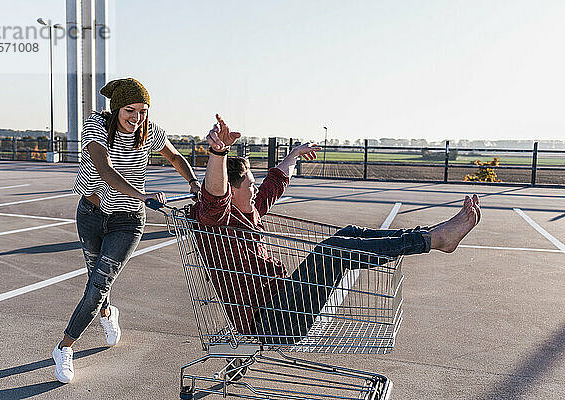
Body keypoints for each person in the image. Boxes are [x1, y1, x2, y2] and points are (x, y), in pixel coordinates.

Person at [190, 114, 482, 345]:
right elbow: (214, 196)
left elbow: (274, 183)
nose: (255, 189)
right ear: (231, 190)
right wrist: (219, 152)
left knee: (347, 233)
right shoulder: (216, 220)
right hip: (270, 320)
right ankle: (433, 239)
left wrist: (294, 154)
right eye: (249, 185)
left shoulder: (247, 210)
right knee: (333, 252)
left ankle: (431, 235)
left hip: (282, 303)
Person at [52, 78, 201, 384]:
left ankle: (64, 347)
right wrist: (144, 195)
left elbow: (173, 156)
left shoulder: (149, 132)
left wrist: (193, 182)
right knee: (96, 281)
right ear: (116, 108)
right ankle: (107, 314)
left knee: (97, 286)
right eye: (130, 110)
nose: (136, 117)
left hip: (127, 221)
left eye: (143, 111)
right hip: (91, 214)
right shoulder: (95, 126)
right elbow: (105, 170)